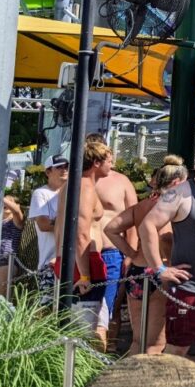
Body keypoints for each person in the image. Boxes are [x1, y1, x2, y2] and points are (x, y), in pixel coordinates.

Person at [138, 140, 195, 371]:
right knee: (177, 350)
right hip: (189, 287)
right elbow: (147, 226)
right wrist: (160, 268)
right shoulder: (181, 193)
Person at [105, 156, 188, 354]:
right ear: (176, 184)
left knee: (138, 340)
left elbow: (111, 229)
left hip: (138, 270)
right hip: (161, 271)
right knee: (156, 343)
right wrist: (169, 259)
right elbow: (165, 239)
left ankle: (127, 380)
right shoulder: (168, 207)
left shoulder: (142, 206)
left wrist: (133, 253)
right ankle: (141, 384)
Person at [54, 140, 111, 341]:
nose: (111, 166)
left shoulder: (70, 186)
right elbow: (81, 232)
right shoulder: (84, 187)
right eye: (109, 161)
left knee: (74, 328)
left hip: (72, 260)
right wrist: (85, 275)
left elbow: (59, 228)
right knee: (83, 332)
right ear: (96, 162)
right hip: (84, 263)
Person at [88, 133, 138, 344]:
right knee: (82, 314)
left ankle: (107, 357)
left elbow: (133, 218)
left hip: (111, 252)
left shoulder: (121, 181)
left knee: (108, 310)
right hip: (82, 251)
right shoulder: (79, 181)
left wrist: (130, 254)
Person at [28, 155, 69, 303]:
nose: (64, 170)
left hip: (72, 261)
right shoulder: (41, 193)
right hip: (49, 262)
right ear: (48, 172)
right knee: (47, 307)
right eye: (59, 167)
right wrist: (69, 224)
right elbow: (43, 224)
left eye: (66, 166)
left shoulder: (74, 193)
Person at [0, 195, 24, 295]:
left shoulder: (16, 222)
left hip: (7, 261)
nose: (5, 203)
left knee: (1, 295)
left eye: (10, 201)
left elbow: (17, 211)